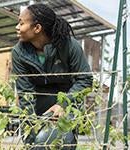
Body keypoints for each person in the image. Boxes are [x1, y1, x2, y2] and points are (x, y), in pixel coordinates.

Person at [11, 3, 93, 150]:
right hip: (38, 109)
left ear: (37, 28)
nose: (17, 27)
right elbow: (25, 93)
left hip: (66, 108)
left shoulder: (69, 45)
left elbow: (85, 80)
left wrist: (63, 104)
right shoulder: (19, 52)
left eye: (21, 23)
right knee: (37, 143)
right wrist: (29, 131)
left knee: (61, 141)